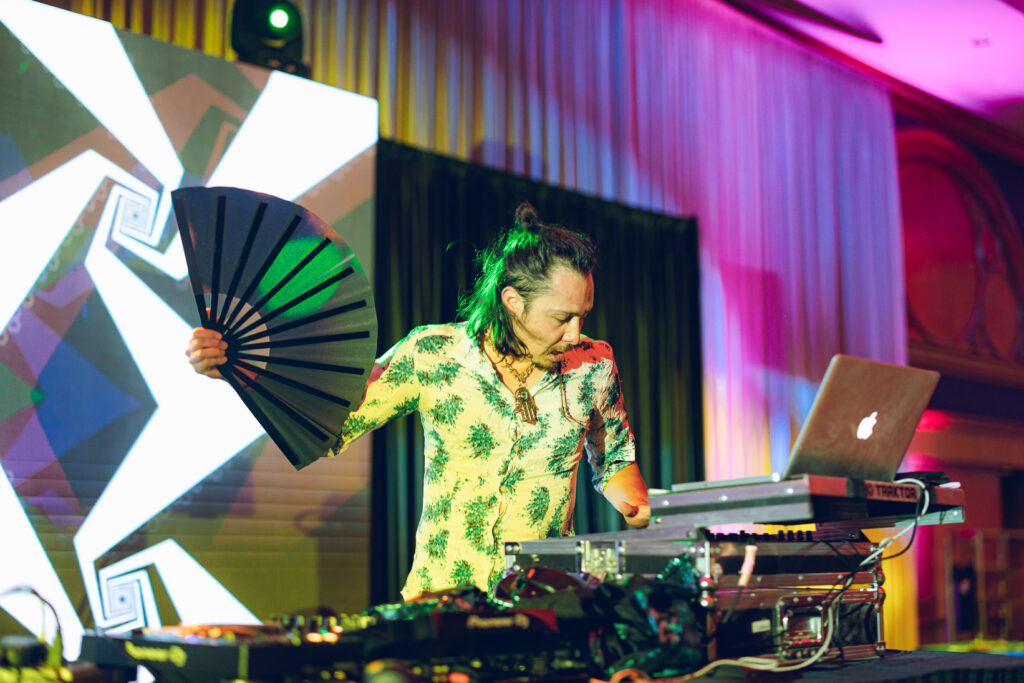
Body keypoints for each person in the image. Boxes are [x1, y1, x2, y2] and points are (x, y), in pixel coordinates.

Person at [186, 202, 651, 600]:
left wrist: (638, 506)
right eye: (561, 318)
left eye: (582, 316)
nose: (575, 333)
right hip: (442, 602)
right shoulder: (433, 353)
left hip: (546, 603)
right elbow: (333, 423)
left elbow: (614, 460)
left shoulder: (595, 364)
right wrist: (240, 370)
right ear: (513, 301)